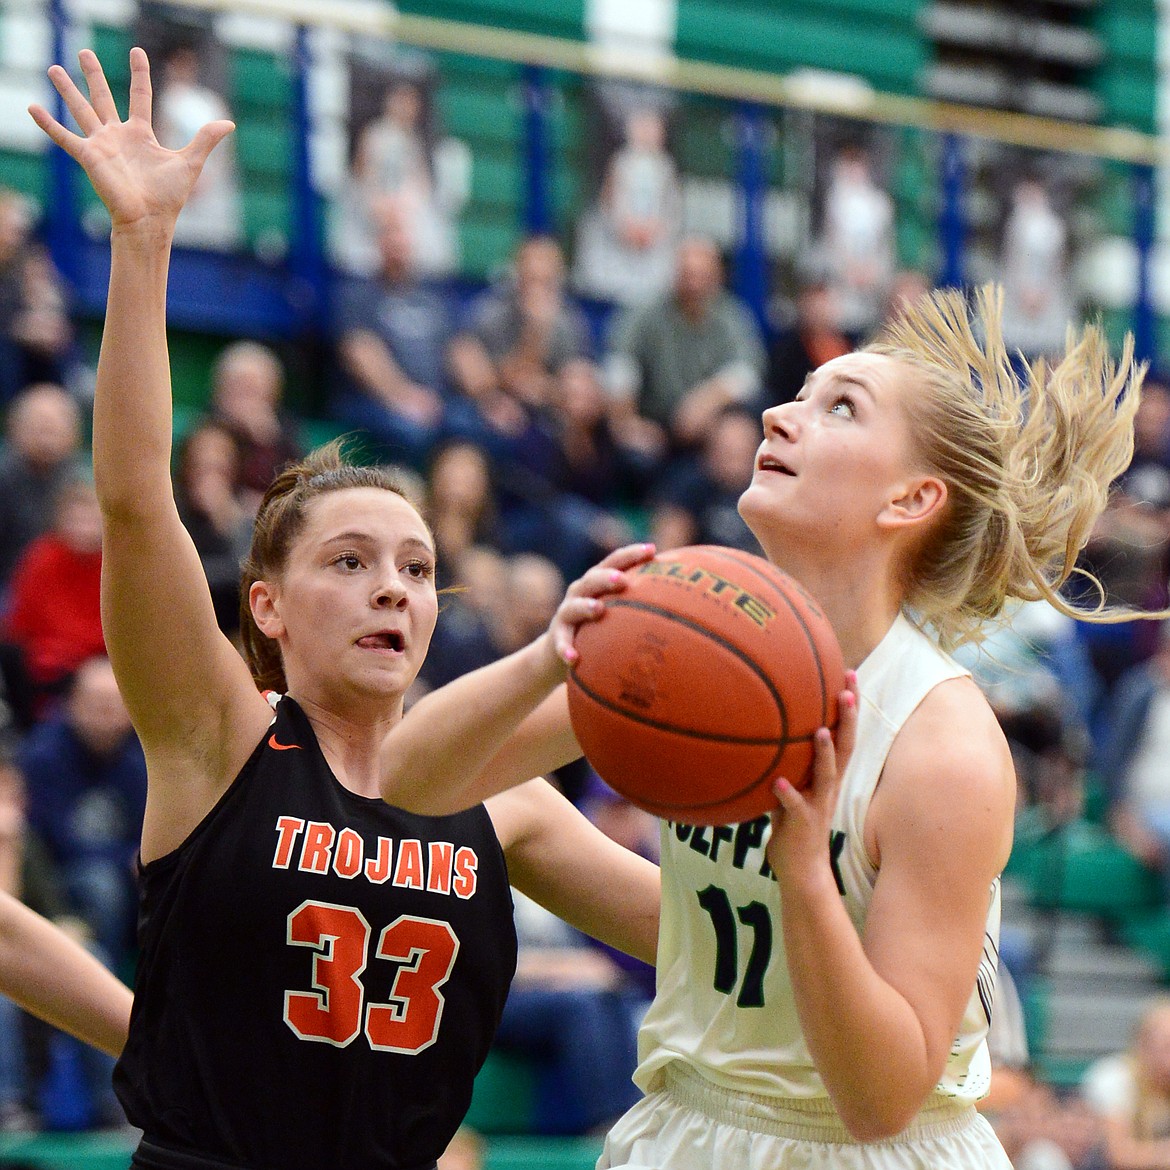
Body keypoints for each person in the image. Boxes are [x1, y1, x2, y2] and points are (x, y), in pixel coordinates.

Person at [29, 47, 659, 1170]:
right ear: (264, 606)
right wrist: (143, 244)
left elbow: (699, 942)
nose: (392, 589)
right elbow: (133, 502)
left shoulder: (501, 801)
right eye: (352, 563)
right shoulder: (216, 734)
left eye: (417, 570)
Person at [378, 283, 1152, 1168]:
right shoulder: (697, 637)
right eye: (802, 391)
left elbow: (880, 1099)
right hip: (685, 1122)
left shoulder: (942, 745)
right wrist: (548, 659)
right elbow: (405, 786)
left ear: (908, 500)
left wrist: (803, 872)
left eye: (840, 407)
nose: (781, 413)